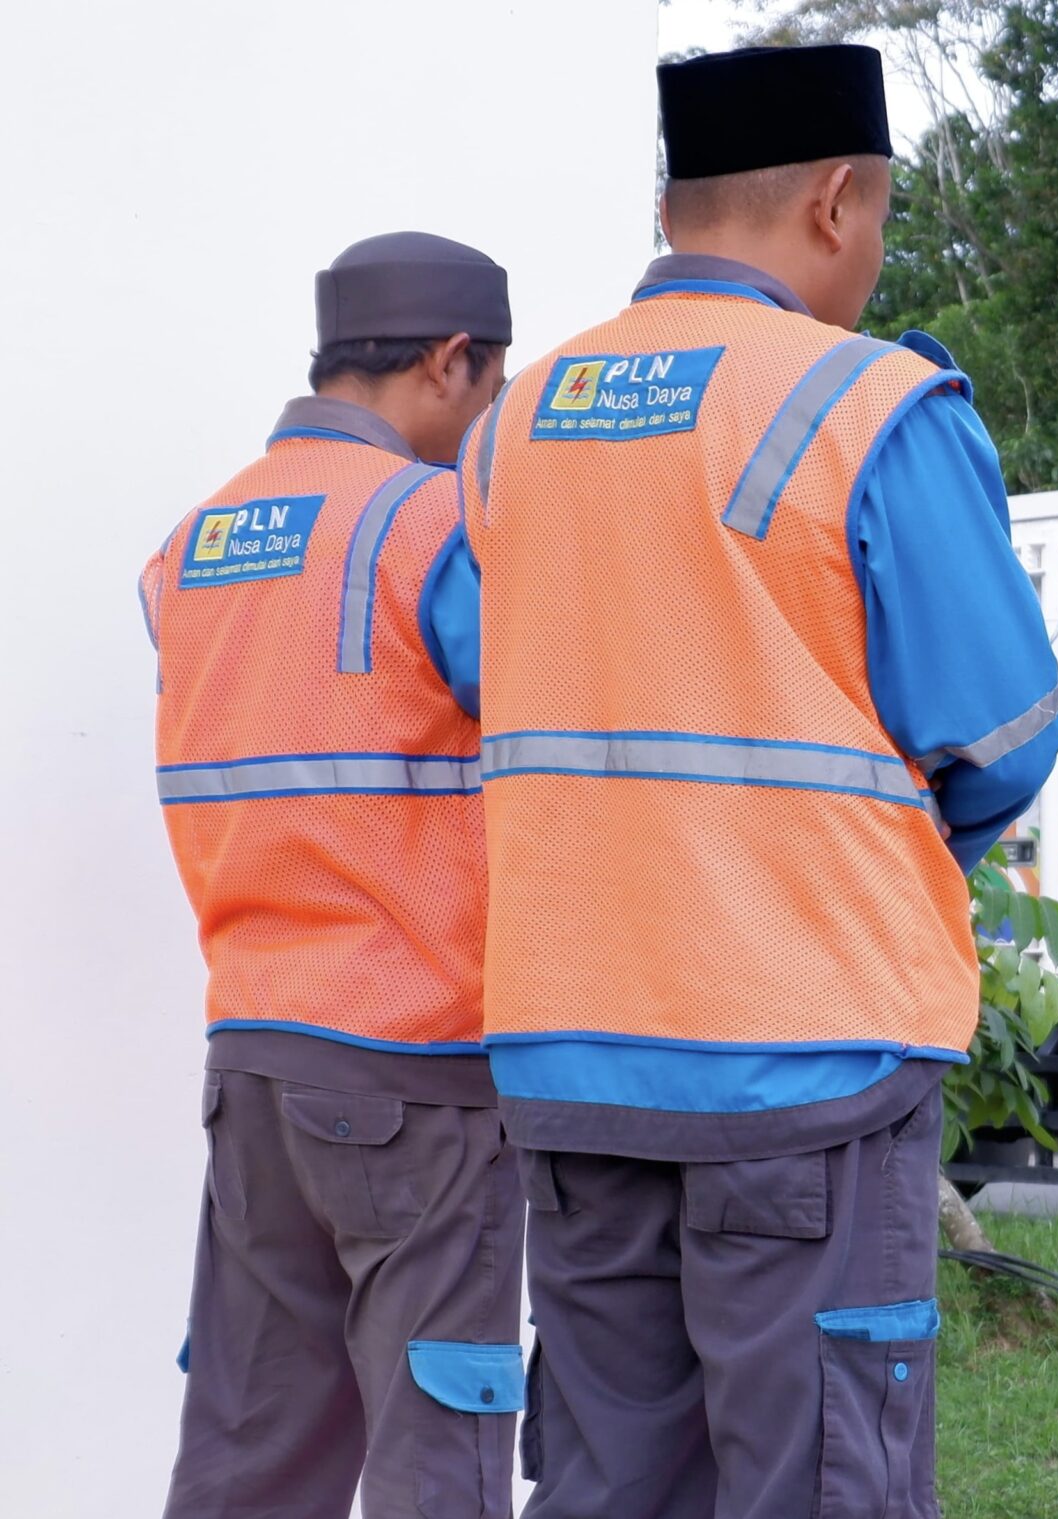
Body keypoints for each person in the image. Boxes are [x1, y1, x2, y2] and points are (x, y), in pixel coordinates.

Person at [454, 44, 1058, 1519]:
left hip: (572, 1061)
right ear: (837, 202)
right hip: (806, 1056)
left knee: (607, 1479)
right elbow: (1001, 736)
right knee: (817, 1477)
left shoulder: (506, 430)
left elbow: (501, 684)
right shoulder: (864, 405)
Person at [140, 232, 523, 1518]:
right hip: (416, 1071)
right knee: (437, 1455)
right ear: (450, 362)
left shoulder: (193, 545)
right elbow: (551, 738)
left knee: (253, 1443)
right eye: (494, 389)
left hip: (253, 1066)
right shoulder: (431, 524)